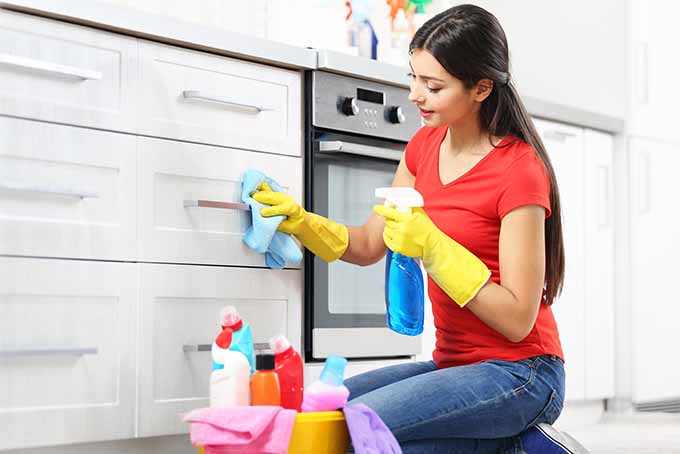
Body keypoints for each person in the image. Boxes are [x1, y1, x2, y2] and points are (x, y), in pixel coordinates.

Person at [253, 4, 589, 453]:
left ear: (481, 88)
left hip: (523, 371)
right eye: (413, 77)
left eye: (433, 86)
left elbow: (516, 319)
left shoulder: (519, 170)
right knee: (319, 416)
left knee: (355, 431)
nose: (414, 95)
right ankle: (509, 446)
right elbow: (370, 243)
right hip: (453, 364)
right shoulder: (423, 147)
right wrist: (300, 220)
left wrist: (433, 246)